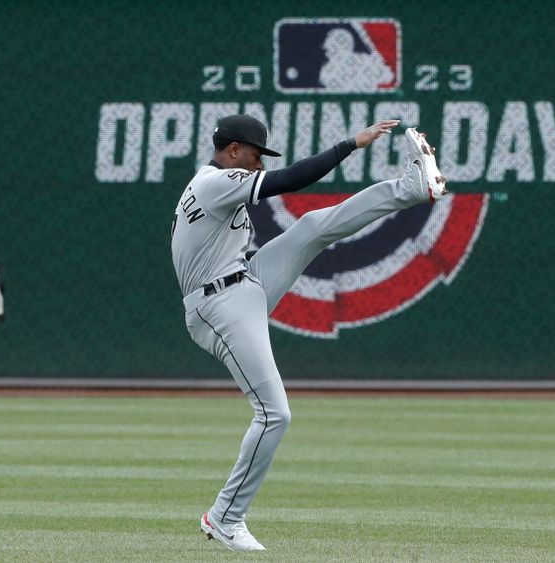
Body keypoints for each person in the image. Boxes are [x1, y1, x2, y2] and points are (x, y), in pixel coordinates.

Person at [170, 113, 447, 552]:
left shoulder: (213, 181)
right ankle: (225, 517)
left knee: (314, 227)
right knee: (274, 414)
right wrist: (351, 145)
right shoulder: (213, 183)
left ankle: (412, 187)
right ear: (235, 151)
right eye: (256, 155)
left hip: (244, 280)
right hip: (218, 305)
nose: (259, 164)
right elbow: (291, 180)